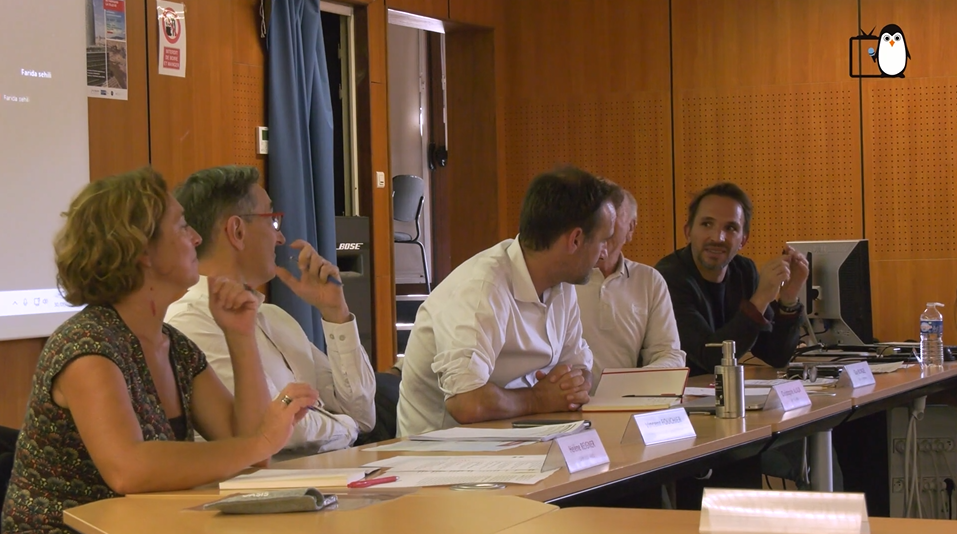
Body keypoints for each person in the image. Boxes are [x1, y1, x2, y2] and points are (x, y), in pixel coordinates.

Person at [1, 169, 316, 533]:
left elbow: (246, 453)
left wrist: (240, 336)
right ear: (142, 251)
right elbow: (128, 469)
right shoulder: (86, 346)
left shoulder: (175, 347)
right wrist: (260, 442)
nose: (197, 238)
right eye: (182, 227)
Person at [166, 166, 376, 455]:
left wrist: (335, 313)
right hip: (259, 489)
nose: (280, 238)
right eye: (273, 222)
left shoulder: (277, 318)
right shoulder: (190, 322)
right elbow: (273, 430)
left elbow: (363, 413)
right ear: (237, 231)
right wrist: (348, 427)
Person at [397, 166, 619, 436]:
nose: (605, 253)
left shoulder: (562, 286)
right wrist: (539, 399)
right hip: (442, 458)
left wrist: (576, 384)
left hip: (519, 440)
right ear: (575, 240)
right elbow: (466, 403)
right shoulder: (481, 288)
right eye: (603, 241)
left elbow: (580, 368)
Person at [655, 182, 807, 376]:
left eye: (731, 228)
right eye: (706, 224)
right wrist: (760, 299)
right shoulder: (668, 278)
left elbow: (775, 355)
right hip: (677, 398)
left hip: (718, 394)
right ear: (688, 232)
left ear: (743, 239)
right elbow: (711, 358)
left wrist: (788, 298)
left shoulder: (744, 271)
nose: (718, 237)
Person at [576, 188, 685, 390]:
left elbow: (669, 354)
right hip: (567, 406)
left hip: (627, 402)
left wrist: (628, 385)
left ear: (631, 228)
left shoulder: (649, 280)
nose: (600, 224)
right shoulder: (562, 278)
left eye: (612, 215)